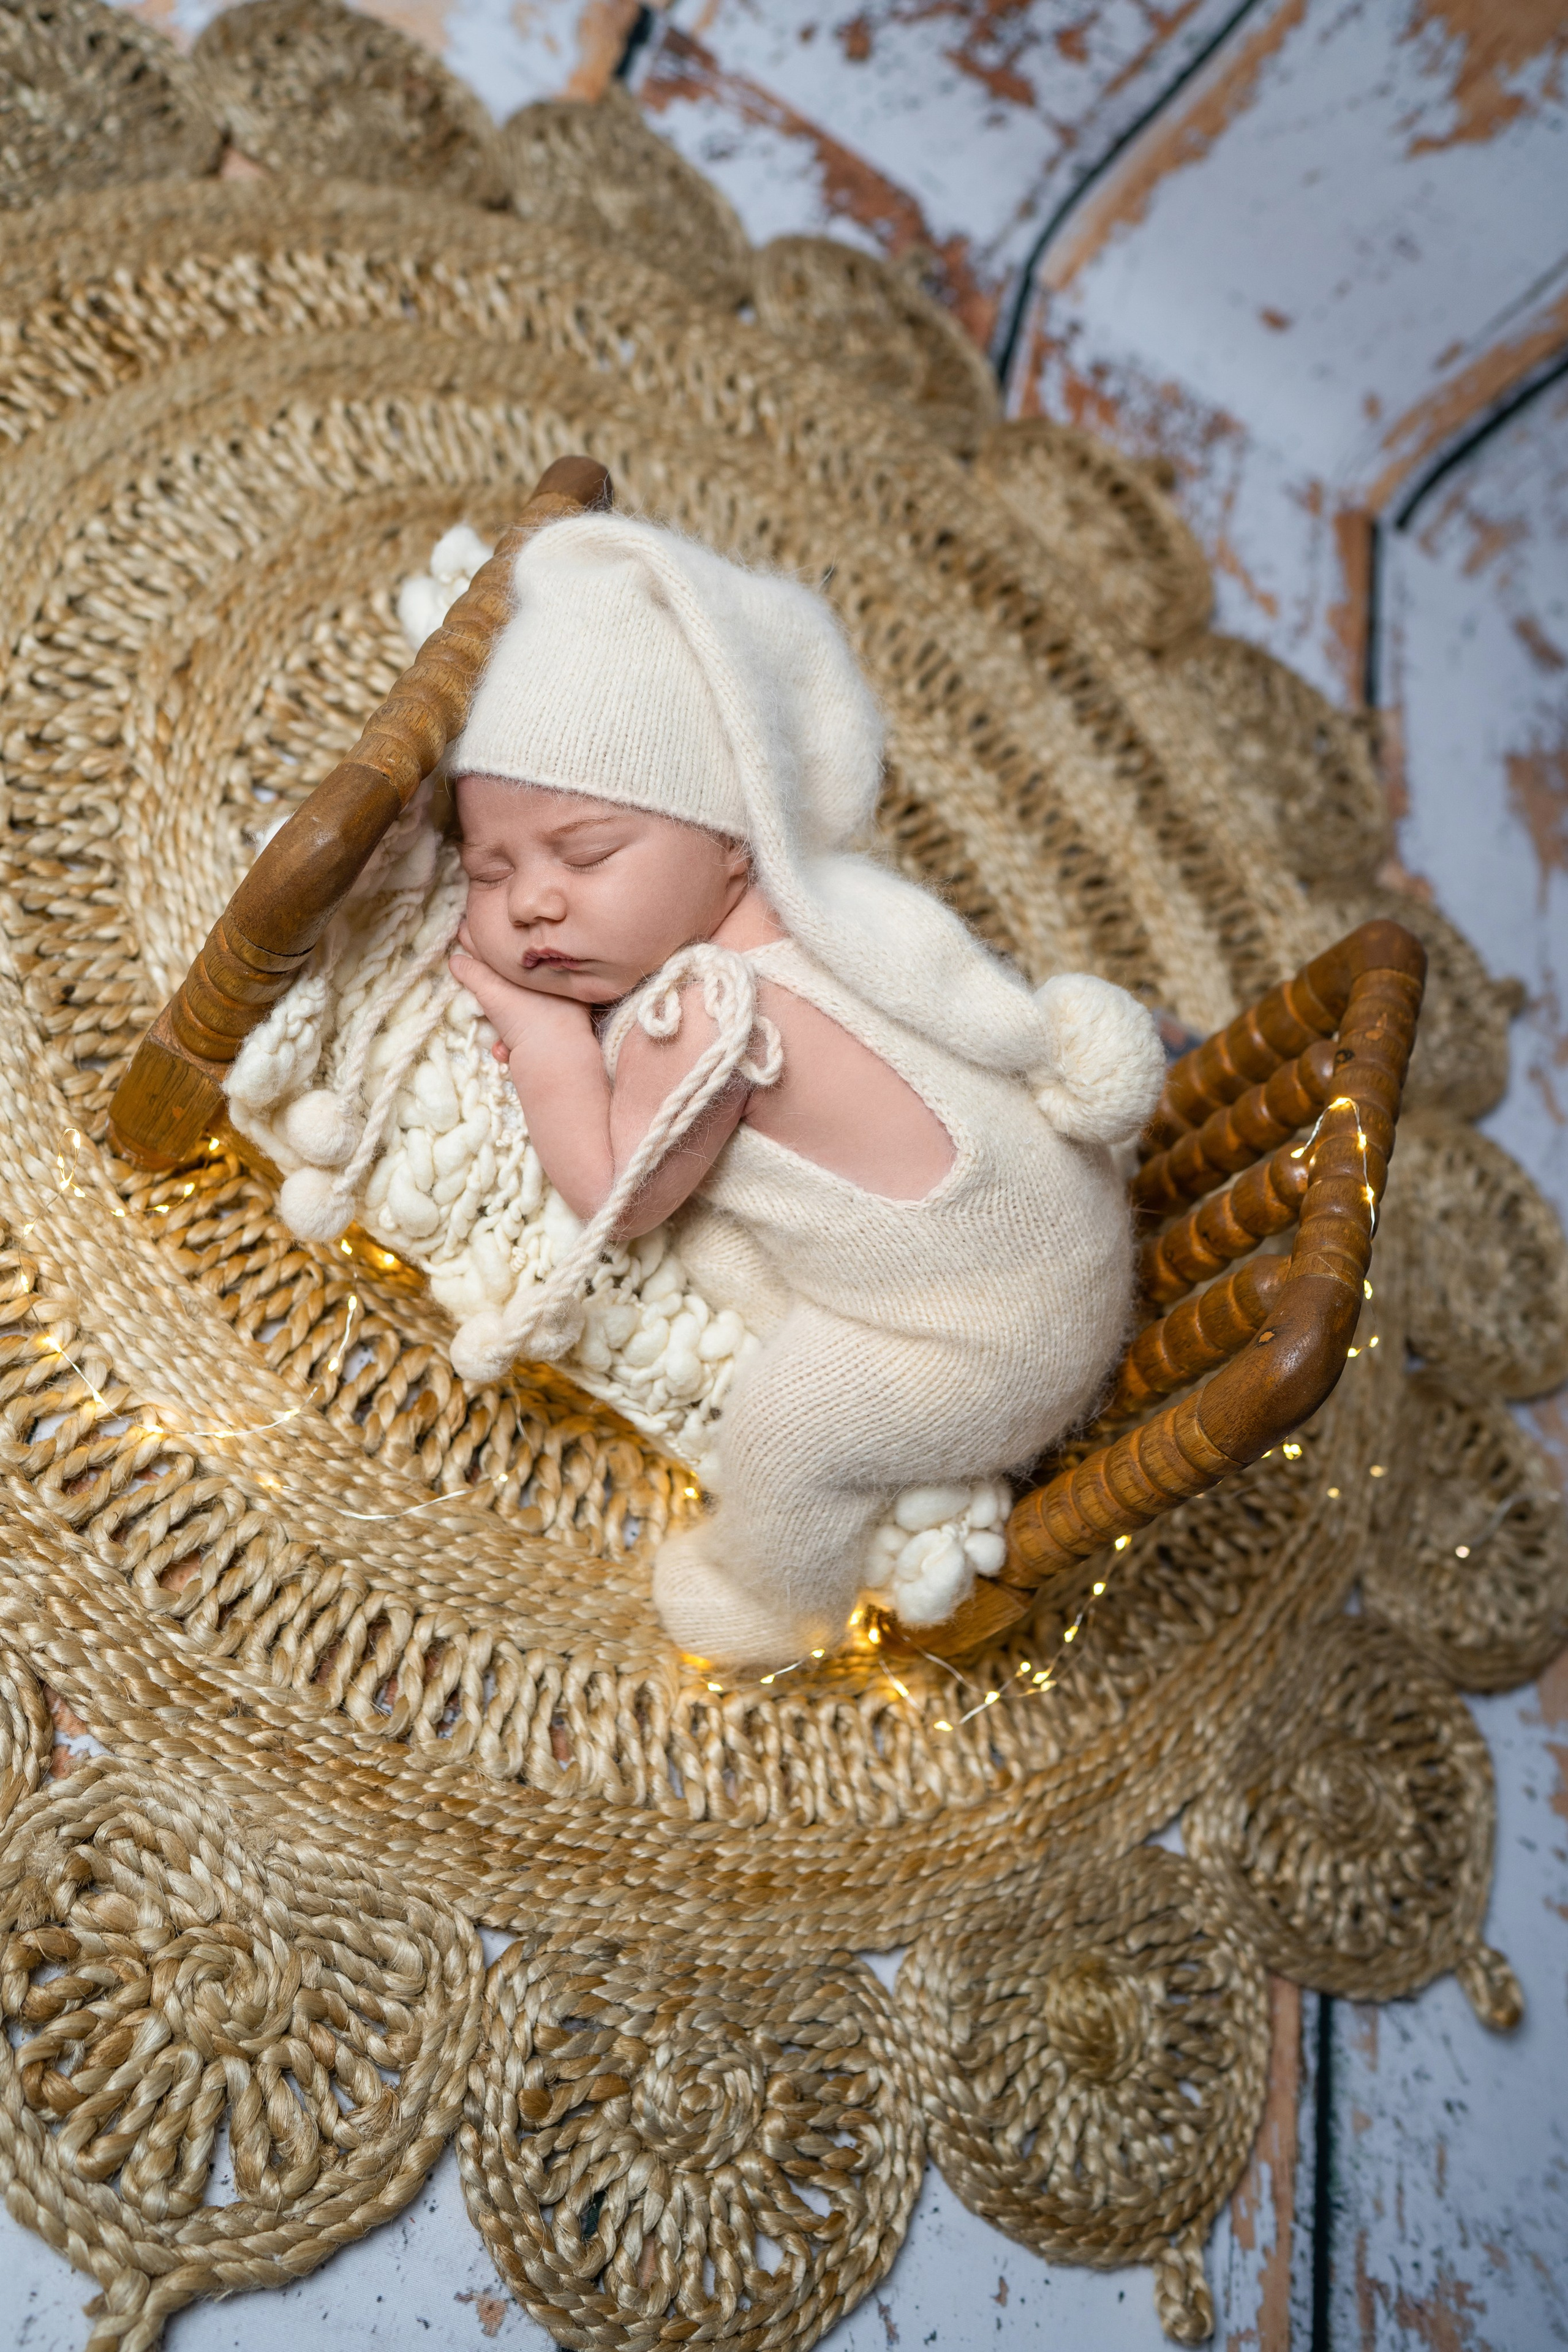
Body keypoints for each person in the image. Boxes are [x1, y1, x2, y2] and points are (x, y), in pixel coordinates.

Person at [432, 513, 1163, 1670]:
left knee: (793, 1426)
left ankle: (773, 1596)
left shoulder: (713, 1010)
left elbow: (615, 1191)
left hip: (986, 1340)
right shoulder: (823, 904)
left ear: (730, 845)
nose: (531, 904)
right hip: (1058, 1229)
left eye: (585, 856)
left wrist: (538, 1027)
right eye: (489, 868)